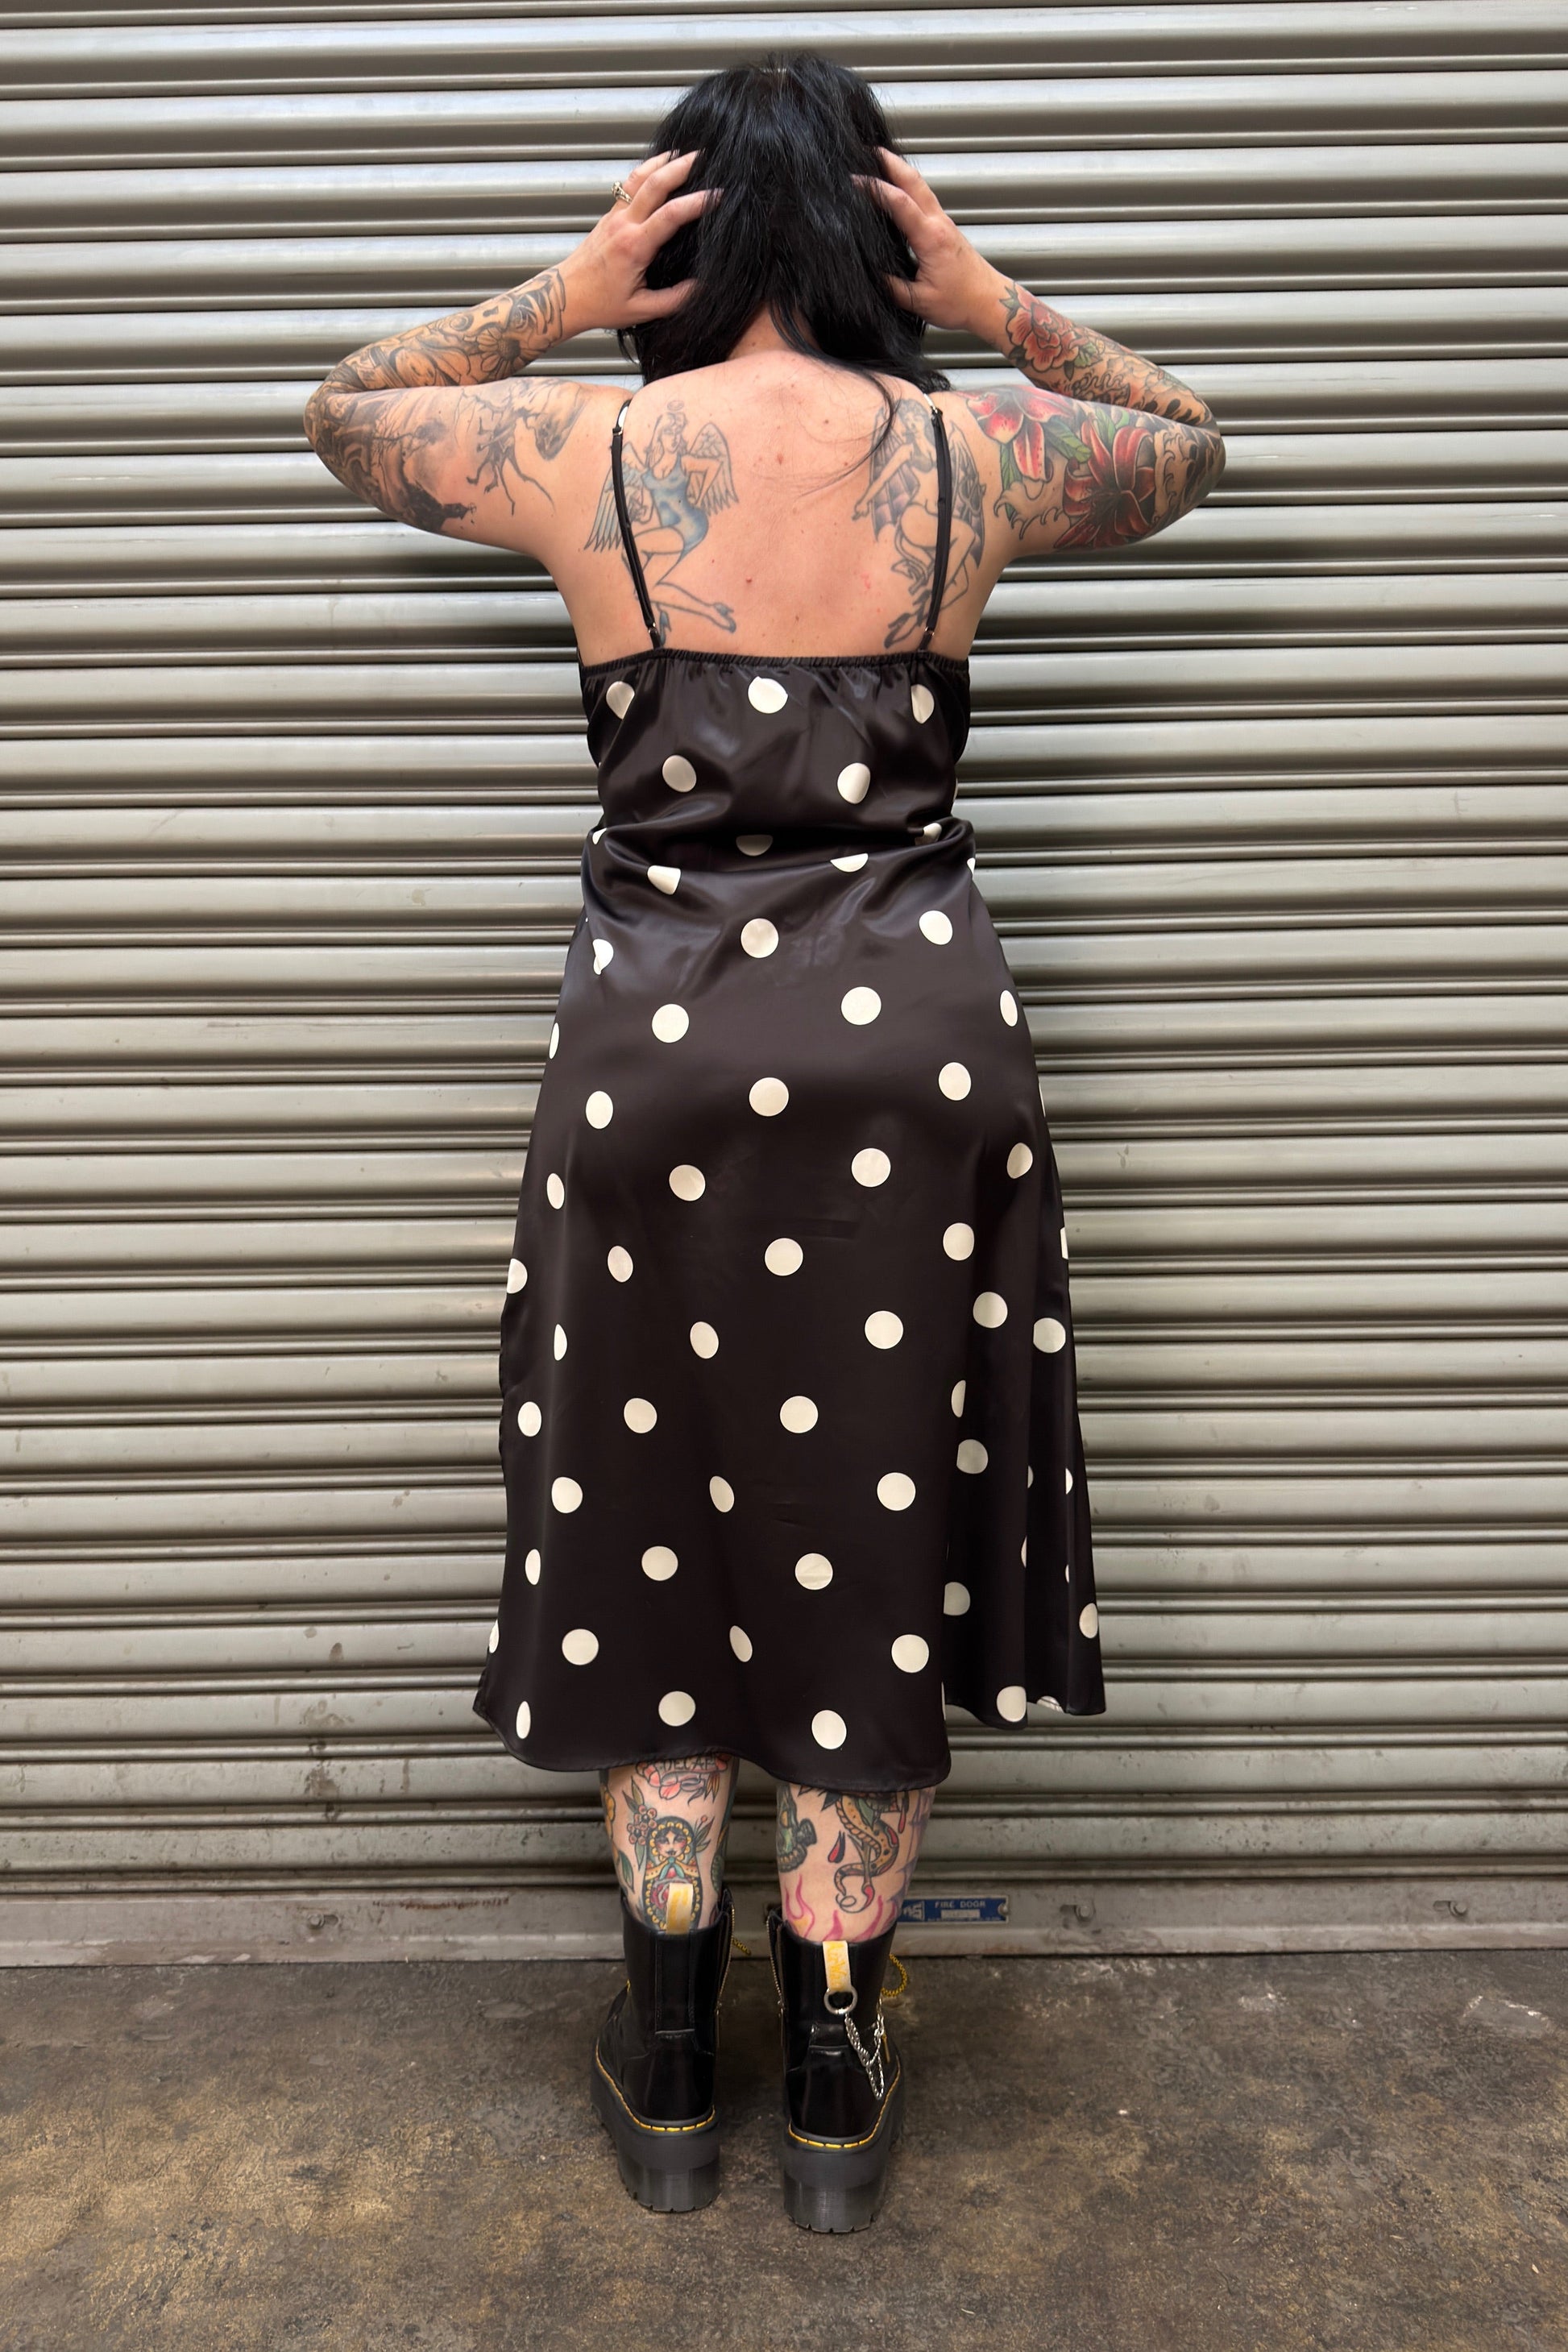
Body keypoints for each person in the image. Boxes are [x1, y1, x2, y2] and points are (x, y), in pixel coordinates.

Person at [303, 52, 1225, 2234]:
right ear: (872, 228)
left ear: (689, 231)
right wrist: (992, 300)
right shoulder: (973, 454)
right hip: (916, 1046)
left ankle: (657, 2053)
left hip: (654, 1060)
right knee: (866, 1541)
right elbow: (1187, 442)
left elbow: (347, 405)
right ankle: (829, 2075)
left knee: (651, 1540)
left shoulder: (584, 449)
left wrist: (563, 293)